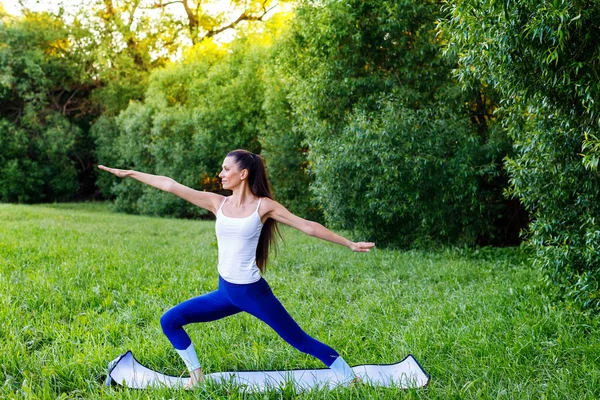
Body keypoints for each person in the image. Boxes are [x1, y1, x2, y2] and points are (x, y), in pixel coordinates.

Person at [98, 149, 375, 389]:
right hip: (225, 292)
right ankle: (197, 377)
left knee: (299, 341)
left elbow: (307, 226)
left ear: (243, 174)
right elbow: (171, 185)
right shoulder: (217, 202)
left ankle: (350, 377)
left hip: (253, 294)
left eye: (226, 168)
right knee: (169, 321)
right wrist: (131, 173)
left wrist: (348, 243)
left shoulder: (263, 206)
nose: (221, 173)